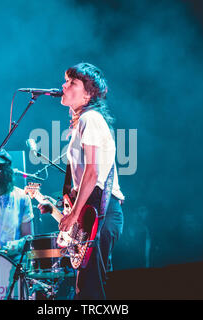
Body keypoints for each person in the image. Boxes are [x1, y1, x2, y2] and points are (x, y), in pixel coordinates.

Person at [39, 62, 124, 300]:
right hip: (94, 211)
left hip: (102, 212)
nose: (63, 86)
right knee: (85, 290)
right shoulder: (82, 122)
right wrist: (61, 208)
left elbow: (92, 174)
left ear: (89, 93)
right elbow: (80, 182)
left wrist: (74, 214)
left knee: (89, 291)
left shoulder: (90, 118)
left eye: (71, 82)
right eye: (65, 81)